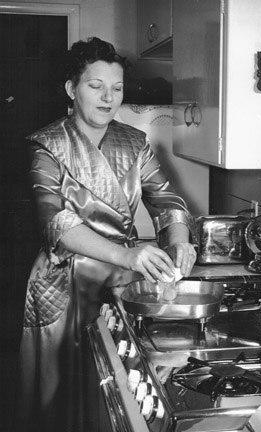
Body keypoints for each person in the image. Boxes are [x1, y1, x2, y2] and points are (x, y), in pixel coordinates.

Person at [15, 37, 197, 432]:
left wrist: (180, 239)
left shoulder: (133, 143)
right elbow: (55, 223)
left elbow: (167, 201)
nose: (108, 97)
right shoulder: (47, 146)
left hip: (117, 281)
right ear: (71, 88)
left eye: (117, 88)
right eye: (96, 86)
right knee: (59, 392)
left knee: (115, 393)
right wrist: (130, 256)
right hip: (64, 282)